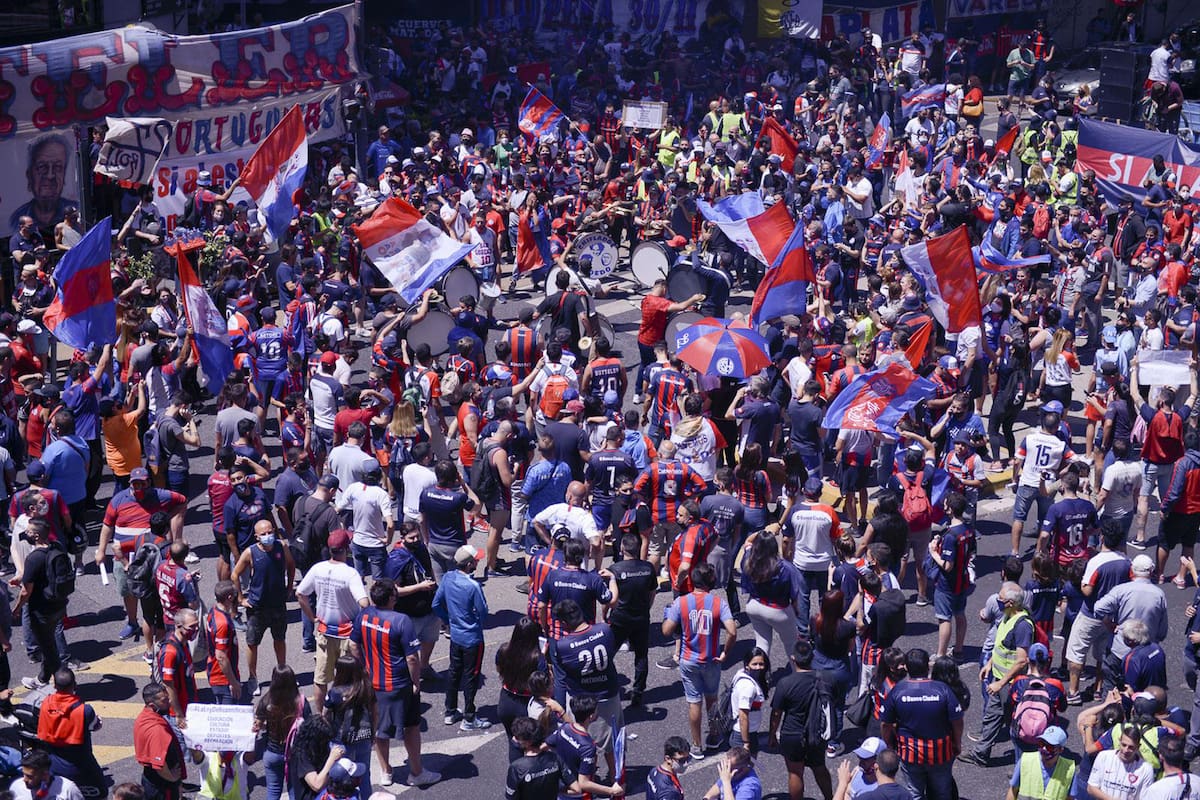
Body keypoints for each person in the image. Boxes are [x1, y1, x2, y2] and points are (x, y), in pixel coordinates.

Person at [349, 578, 439, 787]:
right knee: (411, 726)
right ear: (391, 598)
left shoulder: (364, 615)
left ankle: (386, 771)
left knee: (380, 731)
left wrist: (363, 668)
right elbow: (412, 658)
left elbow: (353, 645)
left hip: (374, 684)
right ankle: (416, 772)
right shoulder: (401, 620)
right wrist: (416, 683)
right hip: (399, 684)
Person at [663, 562, 737, 758]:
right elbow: (732, 631)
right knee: (712, 700)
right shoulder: (718, 603)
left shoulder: (681, 602)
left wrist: (668, 616)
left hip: (688, 660)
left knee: (694, 702)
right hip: (711, 660)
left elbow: (666, 630)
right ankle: (714, 736)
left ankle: (696, 745)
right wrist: (725, 653)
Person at [295, 529, 369, 714]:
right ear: (346, 549)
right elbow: (364, 603)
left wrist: (312, 617)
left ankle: (321, 715)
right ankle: (348, 713)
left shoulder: (318, 569)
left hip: (325, 631)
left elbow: (300, 593)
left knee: (320, 679)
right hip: (347, 634)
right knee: (351, 678)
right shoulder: (350, 573)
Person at [959, 583, 1033, 765]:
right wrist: (990, 664)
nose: (997, 601)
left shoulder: (1023, 626)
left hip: (1011, 684)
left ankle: (1025, 763)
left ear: (1010, 603)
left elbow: (1022, 660)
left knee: (1015, 725)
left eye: (1000, 599)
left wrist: (1001, 683)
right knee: (992, 716)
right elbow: (1002, 645)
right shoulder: (1008, 617)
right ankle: (981, 754)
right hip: (1000, 679)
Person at [881, 648, 963, 800]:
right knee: (942, 793)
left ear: (906, 667)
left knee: (915, 794)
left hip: (910, 754)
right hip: (940, 753)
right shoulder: (942, 689)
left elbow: (886, 724)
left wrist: (890, 746)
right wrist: (957, 743)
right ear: (927, 667)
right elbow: (957, 720)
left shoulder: (898, 690)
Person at [230, 519, 294, 695]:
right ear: (257, 536)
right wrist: (240, 599)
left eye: (269, 532)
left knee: (279, 639)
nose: (267, 536)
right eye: (263, 534)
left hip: (278, 605)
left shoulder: (282, 546)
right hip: (257, 607)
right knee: (252, 643)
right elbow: (235, 575)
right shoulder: (250, 553)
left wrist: (289, 588)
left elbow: (291, 565)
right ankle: (253, 678)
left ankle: (282, 674)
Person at [432, 544, 491, 730]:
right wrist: (475, 623)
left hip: (456, 636)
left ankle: (450, 711)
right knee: (471, 677)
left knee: (454, 672)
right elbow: (483, 612)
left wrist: (448, 619)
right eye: (476, 560)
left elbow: (436, 604)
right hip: (472, 639)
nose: (478, 562)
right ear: (469, 564)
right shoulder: (473, 586)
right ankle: (469, 717)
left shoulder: (448, 578)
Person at [769, 639, 834, 800]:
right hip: (816, 732)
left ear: (793, 658)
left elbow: (776, 713)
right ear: (812, 657)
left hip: (792, 734)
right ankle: (830, 798)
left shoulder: (785, 683)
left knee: (795, 772)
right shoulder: (826, 678)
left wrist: (772, 734)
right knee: (820, 767)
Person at [133, 682, 186, 800]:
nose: (169, 702)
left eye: (168, 698)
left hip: (149, 779)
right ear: (152, 705)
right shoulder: (157, 730)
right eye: (164, 701)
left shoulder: (143, 717)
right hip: (162, 786)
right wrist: (173, 778)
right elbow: (159, 765)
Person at [506, 716, 570, 800]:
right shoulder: (555, 758)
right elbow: (576, 789)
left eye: (517, 737)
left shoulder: (516, 768)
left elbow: (511, 797)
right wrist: (555, 792)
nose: (514, 739)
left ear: (528, 742)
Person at [1006, 726, 1077, 800]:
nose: (1044, 748)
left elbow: (1069, 798)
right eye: (1041, 744)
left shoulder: (1069, 769)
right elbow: (1013, 791)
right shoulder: (1026, 761)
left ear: (1060, 750)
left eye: (1050, 747)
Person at [1087, 727, 1154, 800]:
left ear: (1138, 747)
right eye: (1124, 745)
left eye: (1131, 747)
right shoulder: (1104, 757)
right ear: (1119, 741)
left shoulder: (1146, 769)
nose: (1126, 750)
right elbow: (1091, 788)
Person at [8, 749, 84, 800]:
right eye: (24, 774)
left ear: (45, 775)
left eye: (30, 776)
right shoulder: (16, 787)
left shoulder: (68, 789)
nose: (24, 780)